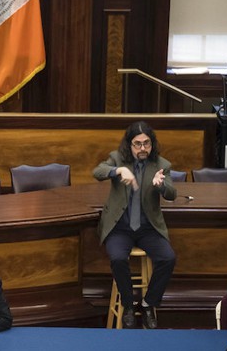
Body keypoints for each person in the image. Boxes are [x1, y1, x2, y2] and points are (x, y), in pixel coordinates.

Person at [93, 121, 177, 329]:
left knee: (168, 258)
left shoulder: (161, 165)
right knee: (119, 259)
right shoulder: (117, 158)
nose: (142, 148)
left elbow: (172, 194)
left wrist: (161, 186)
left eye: (146, 143)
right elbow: (98, 171)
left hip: (148, 228)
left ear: (152, 144)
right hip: (120, 228)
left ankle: (148, 304)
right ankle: (129, 305)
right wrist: (118, 171)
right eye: (137, 144)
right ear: (129, 145)